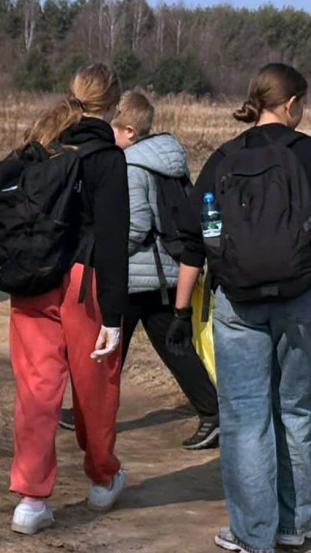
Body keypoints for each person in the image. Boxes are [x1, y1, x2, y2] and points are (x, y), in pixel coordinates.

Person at [171, 63, 311, 553]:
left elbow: (194, 242)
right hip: (302, 302)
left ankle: (253, 533)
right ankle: (295, 524)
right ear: (292, 104)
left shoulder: (223, 159)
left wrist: (179, 309)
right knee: (294, 409)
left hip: (237, 303)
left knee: (245, 416)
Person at [5, 63, 128, 535]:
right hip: (85, 281)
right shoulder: (106, 156)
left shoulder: (41, 144)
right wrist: (114, 314)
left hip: (31, 278)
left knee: (37, 392)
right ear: (113, 105)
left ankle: (31, 501)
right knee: (95, 388)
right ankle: (101, 480)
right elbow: (114, 239)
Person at [59, 91, 220, 449]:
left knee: (105, 348)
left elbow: (132, 228)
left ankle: (89, 412)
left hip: (136, 275)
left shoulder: (130, 166)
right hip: (163, 273)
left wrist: (98, 251)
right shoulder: (168, 159)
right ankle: (213, 411)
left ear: (130, 131)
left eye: (114, 130)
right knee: (171, 348)